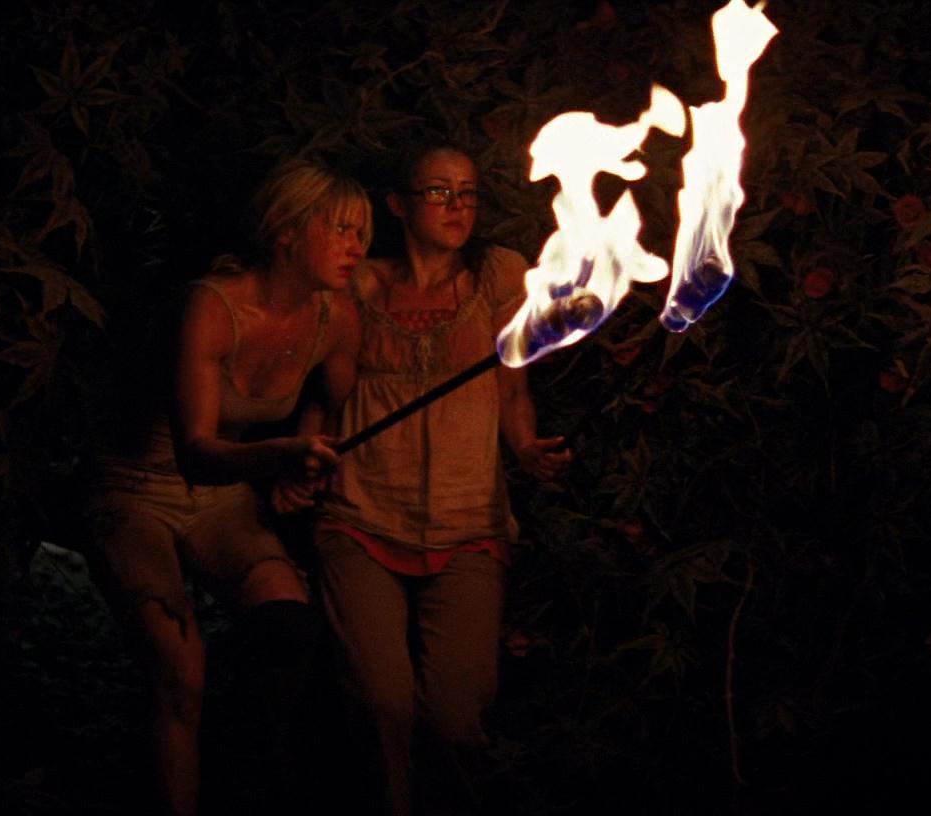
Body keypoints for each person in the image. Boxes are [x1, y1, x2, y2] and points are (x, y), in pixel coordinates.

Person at [287, 144, 571, 815]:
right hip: (362, 516)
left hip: (467, 522)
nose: (457, 206)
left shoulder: (498, 277)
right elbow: (327, 394)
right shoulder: (357, 285)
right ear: (399, 204)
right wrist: (299, 458)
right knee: (381, 701)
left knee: (456, 717)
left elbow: (513, 391)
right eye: (439, 191)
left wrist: (525, 447)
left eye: (468, 192)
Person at [87, 158, 366, 814]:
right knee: (180, 670)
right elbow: (196, 454)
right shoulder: (211, 307)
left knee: (289, 627)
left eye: (363, 232)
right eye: (340, 229)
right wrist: (280, 455)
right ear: (285, 230)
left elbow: (325, 402)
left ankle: (251, 782)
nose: (357, 246)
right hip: (135, 489)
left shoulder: (337, 319)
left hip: (223, 498)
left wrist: (304, 461)